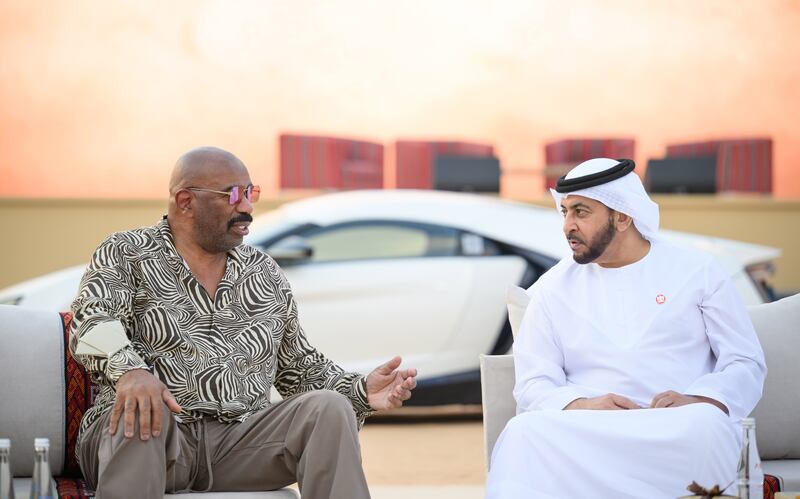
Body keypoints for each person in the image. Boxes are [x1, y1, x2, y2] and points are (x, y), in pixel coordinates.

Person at [69, 147, 417, 499]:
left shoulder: (263, 273)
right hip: (155, 438)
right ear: (186, 201)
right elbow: (91, 319)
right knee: (143, 410)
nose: (247, 207)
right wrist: (131, 372)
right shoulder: (127, 252)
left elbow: (298, 367)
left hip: (240, 444)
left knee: (329, 409)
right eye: (233, 194)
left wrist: (361, 391)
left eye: (251, 193)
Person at [485, 158, 766, 498]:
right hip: (588, 428)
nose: (568, 226)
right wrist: (582, 405)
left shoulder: (698, 271)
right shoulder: (551, 289)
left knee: (707, 426)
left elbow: (744, 362)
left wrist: (697, 399)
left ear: (622, 216)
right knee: (523, 432)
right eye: (565, 212)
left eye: (581, 212)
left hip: (675, 427)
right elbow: (533, 383)